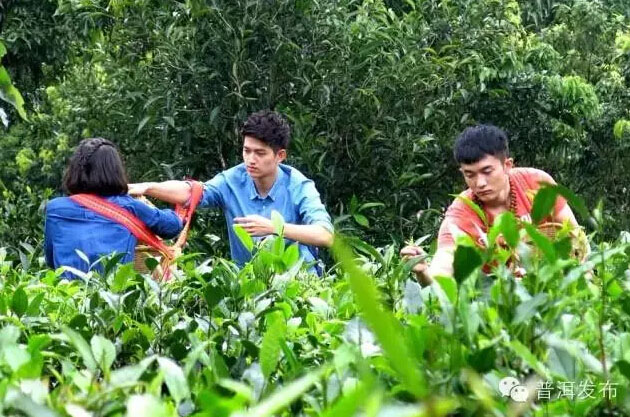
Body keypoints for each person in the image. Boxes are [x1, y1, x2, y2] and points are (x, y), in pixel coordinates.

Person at [129, 110, 334, 272]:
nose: (251, 160)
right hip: (248, 288)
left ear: (280, 156)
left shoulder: (298, 185)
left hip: (299, 287)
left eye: (260, 153)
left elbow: (325, 235)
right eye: (247, 151)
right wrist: (148, 187)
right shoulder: (232, 180)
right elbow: (193, 191)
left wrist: (274, 227)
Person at [401, 125, 580, 285]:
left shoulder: (537, 183)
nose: (480, 183)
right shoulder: (460, 214)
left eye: (487, 171)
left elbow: (576, 237)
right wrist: (423, 272)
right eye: (470, 175)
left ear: (507, 165)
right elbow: (443, 268)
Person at [44, 138, 183, 278]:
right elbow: (172, 226)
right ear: (115, 171)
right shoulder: (128, 205)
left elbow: (51, 260)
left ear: (76, 170)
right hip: (112, 290)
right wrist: (147, 190)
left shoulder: (55, 209)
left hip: (67, 290)